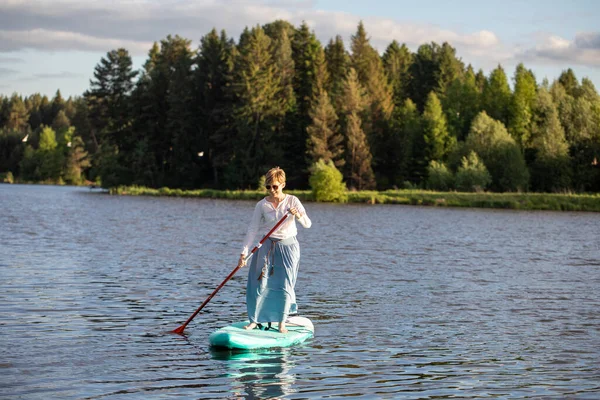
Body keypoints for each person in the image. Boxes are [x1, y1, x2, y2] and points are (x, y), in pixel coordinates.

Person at [238, 167, 312, 333]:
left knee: (284, 285)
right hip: (266, 245)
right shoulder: (262, 205)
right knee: (258, 283)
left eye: (275, 186)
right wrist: (244, 253)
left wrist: (297, 215)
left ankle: (281, 322)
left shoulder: (293, 201)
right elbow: (252, 229)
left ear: (283, 184)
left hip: (288, 247)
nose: (271, 190)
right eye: (268, 187)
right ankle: (254, 321)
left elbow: (307, 224)